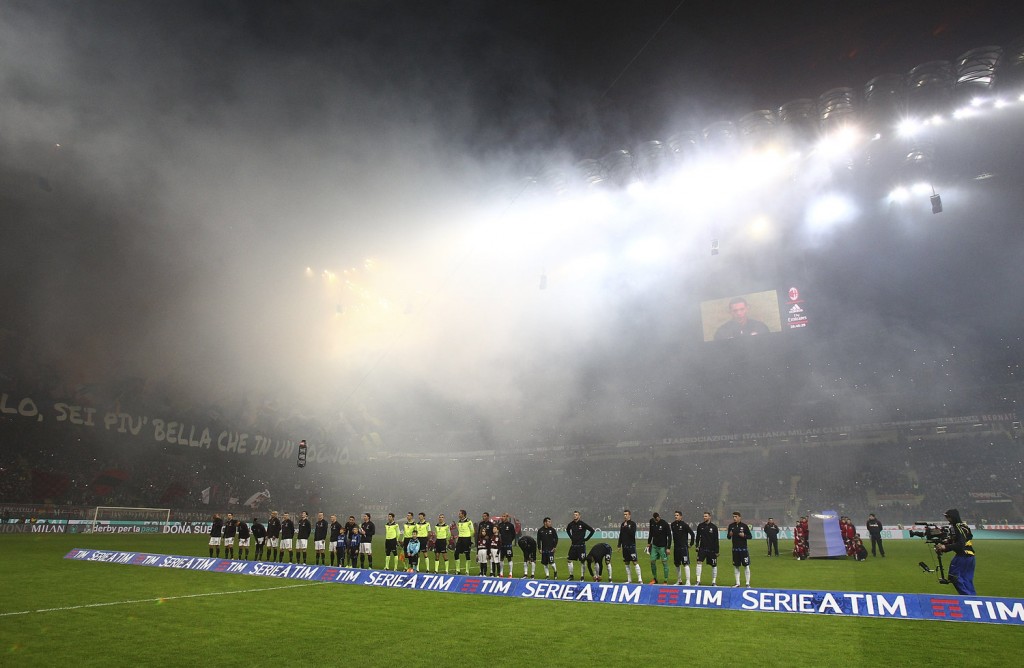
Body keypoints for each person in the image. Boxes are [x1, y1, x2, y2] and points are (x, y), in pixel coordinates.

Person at [935, 508, 976, 596]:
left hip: (962, 556)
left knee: (954, 577)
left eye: (948, 517)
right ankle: (973, 600)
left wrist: (945, 547)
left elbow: (960, 545)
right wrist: (945, 547)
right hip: (970, 557)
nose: (947, 519)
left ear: (953, 517)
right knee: (967, 579)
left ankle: (966, 597)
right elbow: (962, 541)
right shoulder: (963, 526)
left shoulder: (957, 527)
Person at [565, 511, 595, 582]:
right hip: (573, 545)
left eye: (576, 515)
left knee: (582, 561)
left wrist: (586, 539)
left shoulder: (582, 524)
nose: (575, 516)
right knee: (569, 560)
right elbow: (567, 530)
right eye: (574, 515)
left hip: (581, 546)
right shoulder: (571, 524)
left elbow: (592, 531)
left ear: (579, 516)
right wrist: (571, 537)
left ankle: (582, 576)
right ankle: (571, 576)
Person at [727, 511, 752, 587]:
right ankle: (737, 583)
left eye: (736, 517)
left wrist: (744, 535)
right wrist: (729, 535)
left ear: (739, 517)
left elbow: (750, 536)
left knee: (746, 566)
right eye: (733, 517)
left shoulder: (744, 526)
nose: (734, 518)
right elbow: (728, 537)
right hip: (735, 550)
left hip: (743, 550)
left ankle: (747, 583)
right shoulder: (731, 526)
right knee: (736, 566)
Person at [670, 511, 696, 586]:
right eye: (675, 515)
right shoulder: (673, 525)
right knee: (677, 564)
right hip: (676, 548)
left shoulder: (684, 525)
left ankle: (688, 581)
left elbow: (692, 534)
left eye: (677, 515)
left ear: (681, 516)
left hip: (683, 548)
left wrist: (691, 544)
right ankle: (679, 580)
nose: (676, 516)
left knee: (685, 564)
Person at [617, 510, 643, 584]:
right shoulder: (622, 524)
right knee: (626, 562)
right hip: (624, 547)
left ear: (629, 515)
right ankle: (629, 579)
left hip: (631, 546)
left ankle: (640, 579)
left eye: (626, 514)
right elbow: (621, 535)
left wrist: (627, 527)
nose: (625, 516)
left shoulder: (632, 524)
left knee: (635, 562)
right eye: (624, 514)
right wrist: (619, 545)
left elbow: (632, 534)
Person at [694, 511, 719, 586]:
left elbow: (716, 540)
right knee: (699, 562)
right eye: (704, 516)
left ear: (709, 517)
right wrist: (697, 545)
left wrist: (717, 551)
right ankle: (698, 580)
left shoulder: (714, 527)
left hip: (711, 549)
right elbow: (698, 537)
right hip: (702, 548)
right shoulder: (700, 526)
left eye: (706, 516)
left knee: (714, 565)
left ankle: (714, 581)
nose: (704, 517)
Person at [646, 512, 671, 584]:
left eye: (657, 519)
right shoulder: (652, 521)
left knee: (664, 562)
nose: (656, 520)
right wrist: (648, 542)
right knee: (652, 561)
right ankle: (655, 578)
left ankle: (665, 580)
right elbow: (651, 532)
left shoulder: (664, 524)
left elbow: (669, 536)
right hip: (654, 546)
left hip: (662, 547)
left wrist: (668, 547)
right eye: (655, 519)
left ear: (659, 517)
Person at [496, 513, 517, 578]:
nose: (502, 517)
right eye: (502, 516)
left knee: (509, 558)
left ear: (507, 517)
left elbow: (513, 534)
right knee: (501, 559)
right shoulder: (500, 525)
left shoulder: (510, 525)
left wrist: (509, 540)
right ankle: (501, 573)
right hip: (501, 545)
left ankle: (510, 573)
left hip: (508, 545)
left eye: (504, 516)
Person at [454, 510, 474, 575]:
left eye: (460, 514)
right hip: (460, 539)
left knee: (467, 554)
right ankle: (457, 570)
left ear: (463, 514)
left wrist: (468, 537)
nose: (458, 515)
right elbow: (459, 530)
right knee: (456, 553)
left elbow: (472, 531)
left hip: (466, 539)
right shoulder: (459, 522)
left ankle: (467, 571)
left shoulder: (469, 521)